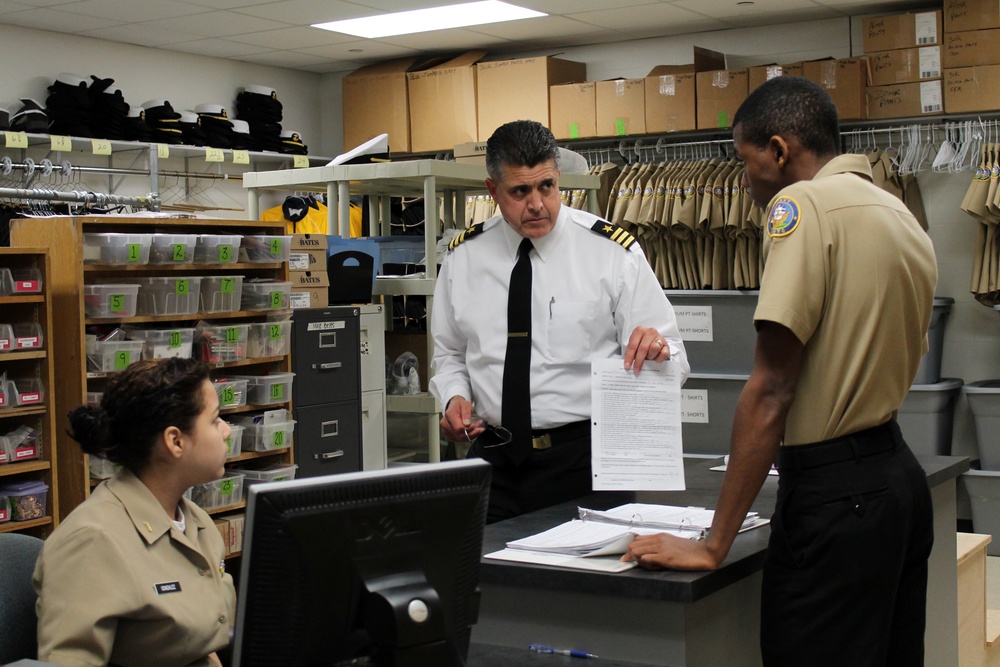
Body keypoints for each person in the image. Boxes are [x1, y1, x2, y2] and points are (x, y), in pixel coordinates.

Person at [624, 76, 938, 666]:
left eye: (745, 163)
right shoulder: (897, 212)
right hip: (896, 479)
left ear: (779, 149)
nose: (744, 182)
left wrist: (713, 544)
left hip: (836, 496)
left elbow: (772, 386)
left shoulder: (800, 207)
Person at [430, 119, 689, 522]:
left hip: (583, 464)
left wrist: (658, 351)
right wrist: (453, 397)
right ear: (493, 191)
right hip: (494, 462)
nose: (537, 204)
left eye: (547, 186)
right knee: (489, 579)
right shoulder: (464, 258)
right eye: (520, 191)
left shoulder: (610, 253)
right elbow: (449, 352)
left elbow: (676, 357)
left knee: (581, 583)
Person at [33, 358, 236, 667]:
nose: (227, 431)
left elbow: (204, 642)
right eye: (215, 420)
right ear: (175, 441)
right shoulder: (93, 541)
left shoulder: (197, 523)